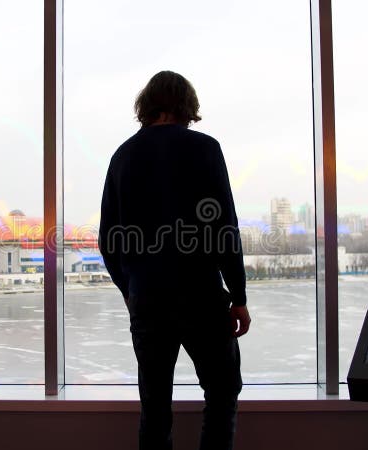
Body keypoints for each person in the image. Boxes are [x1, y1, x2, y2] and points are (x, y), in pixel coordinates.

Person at [98, 70, 251, 450]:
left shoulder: (123, 156)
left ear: (146, 105)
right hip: (200, 293)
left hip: (148, 297)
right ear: (188, 106)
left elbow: (107, 239)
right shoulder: (205, 149)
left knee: (154, 406)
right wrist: (239, 294)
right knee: (222, 389)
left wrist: (129, 288)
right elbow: (224, 227)